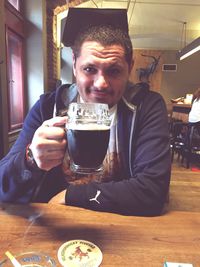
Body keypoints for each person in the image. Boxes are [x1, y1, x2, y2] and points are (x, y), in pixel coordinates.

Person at [0, 8, 171, 216]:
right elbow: (3, 186)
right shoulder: (47, 107)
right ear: (74, 65)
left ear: (130, 67)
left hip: (121, 230)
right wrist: (31, 158)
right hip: (58, 228)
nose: (101, 83)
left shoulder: (147, 107)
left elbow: (152, 192)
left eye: (114, 71)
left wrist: (70, 196)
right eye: (89, 69)